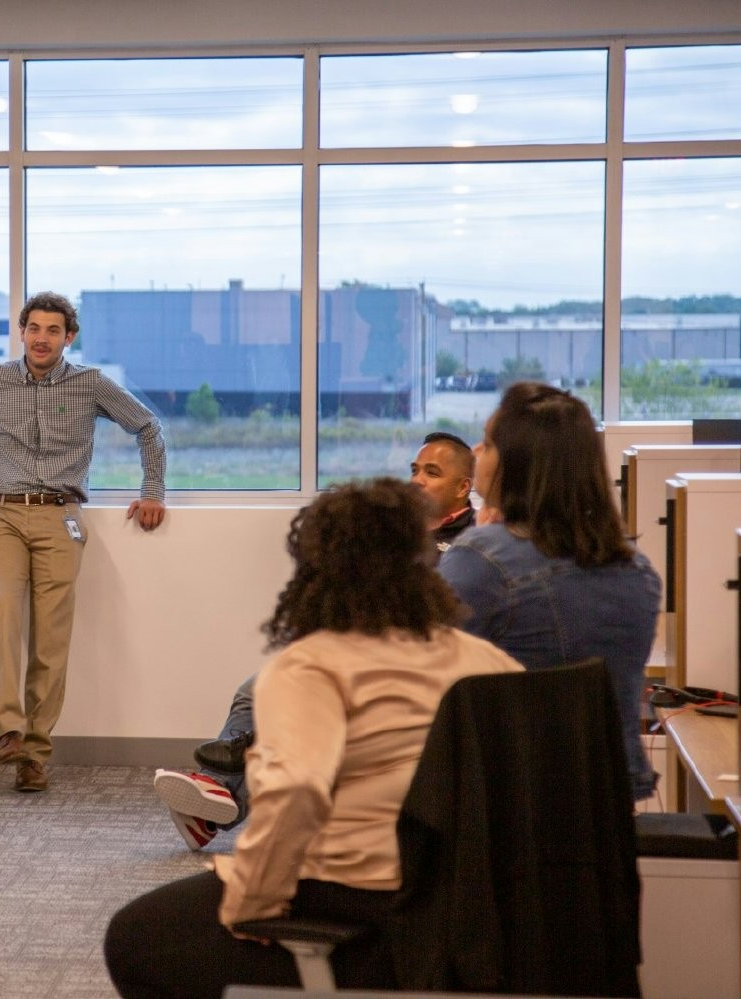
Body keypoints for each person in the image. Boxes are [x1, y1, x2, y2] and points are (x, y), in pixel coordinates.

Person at [104, 479, 523, 996]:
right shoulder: (487, 660)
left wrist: (252, 903)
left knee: (133, 938)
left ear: (317, 569)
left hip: (356, 902)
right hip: (474, 912)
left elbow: (296, 789)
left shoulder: (311, 665)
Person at [158, 431, 479, 849]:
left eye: (431, 473)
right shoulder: (395, 534)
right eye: (414, 470)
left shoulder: (473, 547)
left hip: (416, 669)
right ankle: (220, 790)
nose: (417, 480)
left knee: (296, 703)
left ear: (463, 488)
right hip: (361, 649)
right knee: (255, 691)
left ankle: (231, 777)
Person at [0, 291, 167, 792]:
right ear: (22, 332)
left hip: (61, 516)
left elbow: (148, 426)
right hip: (4, 513)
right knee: (4, 610)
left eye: (53, 331)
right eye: (34, 329)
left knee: (51, 635)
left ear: (68, 338)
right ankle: (9, 728)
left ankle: (35, 752)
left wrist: (152, 491)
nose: (41, 338)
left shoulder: (90, 384)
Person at [438, 381, 662, 802]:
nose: (475, 452)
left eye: (487, 444)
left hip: (507, 803)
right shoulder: (639, 572)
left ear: (518, 464)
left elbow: (424, 673)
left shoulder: (482, 560)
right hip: (607, 804)